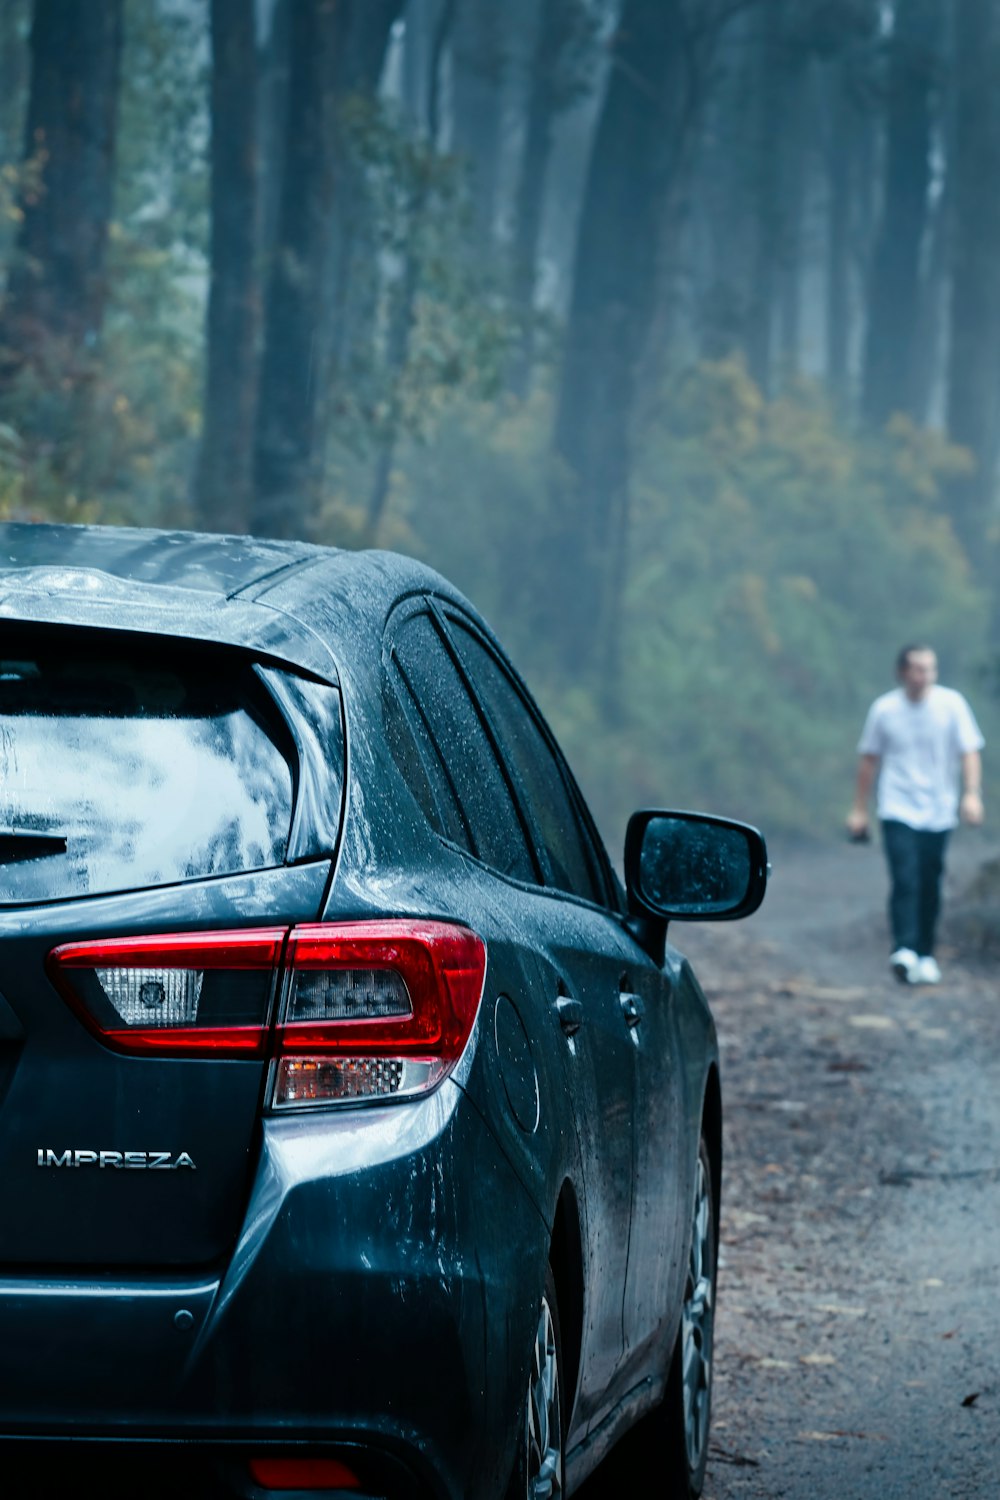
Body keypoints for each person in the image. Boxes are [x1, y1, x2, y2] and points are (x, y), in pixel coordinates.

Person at [847, 644, 984, 985]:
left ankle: (925, 953)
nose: (925, 675)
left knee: (930, 881)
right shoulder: (885, 709)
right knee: (905, 877)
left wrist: (971, 794)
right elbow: (869, 760)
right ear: (902, 672)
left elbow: (969, 751)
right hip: (897, 805)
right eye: (918, 668)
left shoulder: (951, 705)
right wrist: (859, 809)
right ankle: (904, 949)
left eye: (931, 669)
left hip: (939, 809)